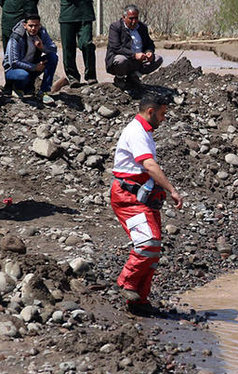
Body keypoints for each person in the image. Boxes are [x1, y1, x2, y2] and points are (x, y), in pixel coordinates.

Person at [111, 94, 183, 316]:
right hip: (128, 197)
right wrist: (172, 189)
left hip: (141, 196)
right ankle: (127, 282)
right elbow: (149, 165)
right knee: (147, 244)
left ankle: (139, 300)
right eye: (162, 114)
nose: (163, 119)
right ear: (150, 111)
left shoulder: (144, 132)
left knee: (154, 250)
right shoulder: (136, 132)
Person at [2, 13, 57, 104]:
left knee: (52, 57)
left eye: (36, 26)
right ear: (25, 25)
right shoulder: (16, 36)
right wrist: (34, 67)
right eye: (30, 26)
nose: (33, 29)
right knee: (23, 75)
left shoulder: (41, 32)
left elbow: (53, 49)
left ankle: (44, 91)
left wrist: (42, 47)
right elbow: (14, 62)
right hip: (14, 70)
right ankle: (15, 87)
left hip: (32, 65)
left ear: (39, 25)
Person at [105, 4, 163, 89]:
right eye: (131, 18)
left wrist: (149, 52)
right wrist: (134, 55)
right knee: (121, 60)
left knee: (158, 59)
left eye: (136, 18)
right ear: (124, 17)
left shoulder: (142, 27)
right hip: (123, 60)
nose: (134, 21)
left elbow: (149, 44)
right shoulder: (115, 27)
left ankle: (134, 76)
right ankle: (119, 78)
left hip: (139, 61)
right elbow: (116, 47)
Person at [59, 0, 97, 87]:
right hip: (67, 14)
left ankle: (91, 75)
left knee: (87, 44)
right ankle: (73, 77)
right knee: (68, 47)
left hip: (85, 13)